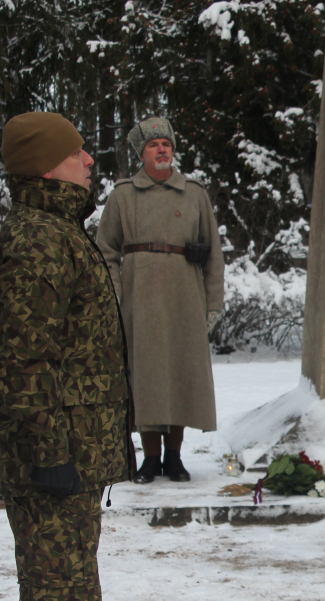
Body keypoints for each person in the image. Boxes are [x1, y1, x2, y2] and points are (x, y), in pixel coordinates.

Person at [0, 112, 133, 601]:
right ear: (47, 165)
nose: (89, 158)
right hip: (52, 457)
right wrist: (48, 453)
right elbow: (21, 361)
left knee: (72, 598)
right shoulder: (40, 241)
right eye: (76, 151)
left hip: (73, 448)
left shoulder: (59, 232)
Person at [96, 116, 224, 483]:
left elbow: (214, 253)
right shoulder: (123, 195)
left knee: (181, 375)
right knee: (146, 376)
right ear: (142, 153)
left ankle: (174, 457)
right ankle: (149, 458)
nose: (162, 149)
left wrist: (213, 304)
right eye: (153, 145)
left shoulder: (194, 193)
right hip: (140, 300)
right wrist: (114, 298)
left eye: (166, 143)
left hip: (185, 298)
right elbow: (105, 251)